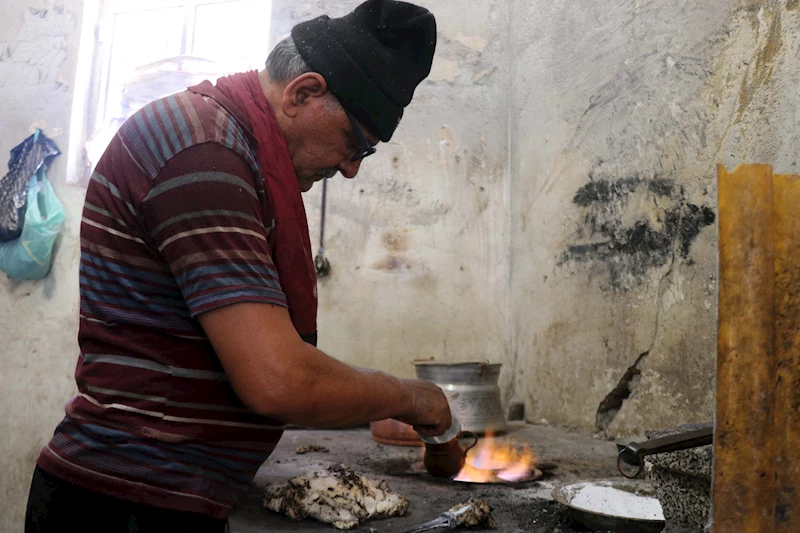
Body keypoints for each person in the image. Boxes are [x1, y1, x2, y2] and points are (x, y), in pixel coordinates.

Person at [25, 1, 451, 531]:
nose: (349, 168)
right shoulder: (204, 150)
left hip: (153, 494)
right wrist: (412, 398)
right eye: (354, 142)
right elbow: (276, 380)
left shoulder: (226, 142)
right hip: (126, 503)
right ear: (303, 92)